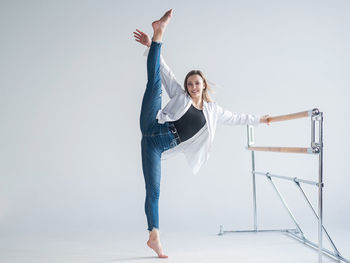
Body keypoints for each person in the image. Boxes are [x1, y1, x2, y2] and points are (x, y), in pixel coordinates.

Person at [133, 9, 270, 258]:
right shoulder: (181, 96)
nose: (193, 87)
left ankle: (154, 237)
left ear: (204, 84)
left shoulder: (213, 111)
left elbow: (237, 118)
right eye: (190, 84)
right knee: (154, 82)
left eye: (197, 83)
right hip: (152, 125)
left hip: (154, 146)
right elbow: (165, 72)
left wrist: (261, 120)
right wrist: (153, 45)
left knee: (154, 190)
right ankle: (159, 32)